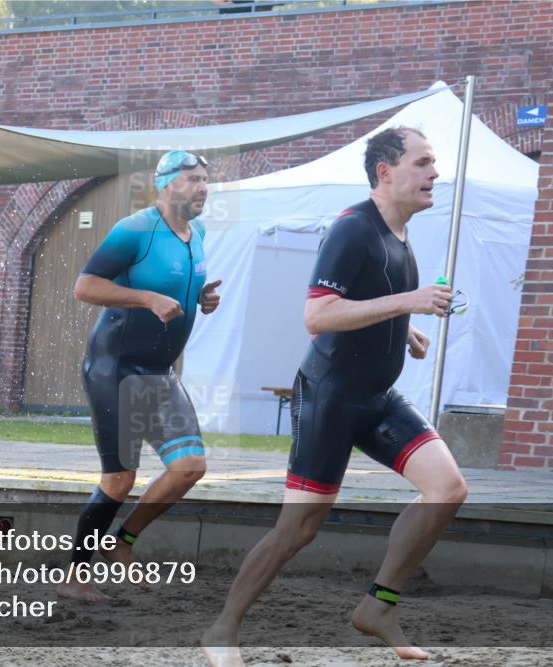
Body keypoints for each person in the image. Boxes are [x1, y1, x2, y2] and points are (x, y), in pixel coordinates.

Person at [203, 127, 468, 664]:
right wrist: (407, 304)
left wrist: (404, 331)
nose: (434, 174)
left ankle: (379, 606)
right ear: (385, 171)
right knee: (298, 528)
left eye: (434, 164)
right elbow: (317, 316)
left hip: (376, 396)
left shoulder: (398, 236)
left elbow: (369, 303)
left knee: (447, 489)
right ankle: (222, 629)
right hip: (329, 397)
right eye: (423, 163)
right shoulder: (353, 229)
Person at [57, 150, 222, 602]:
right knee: (119, 480)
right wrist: (147, 298)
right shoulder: (134, 229)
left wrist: (202, 298)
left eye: (206, 179)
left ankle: (121, 542)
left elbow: (181, 285)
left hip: (159, 372)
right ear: (166, 183)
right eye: (193, 179)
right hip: (115, 369)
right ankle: (74, 575)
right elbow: (85, 286)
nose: (203, 187)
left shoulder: (198, 232)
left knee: (190, 468)